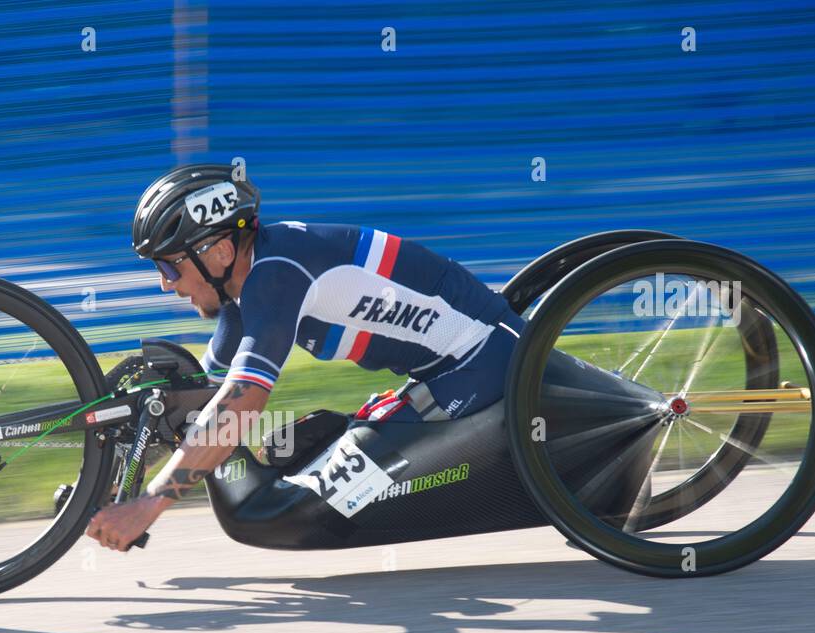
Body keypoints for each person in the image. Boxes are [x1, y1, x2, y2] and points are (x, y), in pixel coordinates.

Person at [86, 163, 526, 551]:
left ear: (219, 252)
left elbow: (240, 406)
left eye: (169, 267)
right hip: (442, 372)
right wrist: (106, 491)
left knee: (288, 516)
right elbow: (196, 402)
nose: (165, 284)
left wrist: (150, 505)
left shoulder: (277, 277)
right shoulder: (245, 289)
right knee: (277, 471)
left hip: (480, 365)